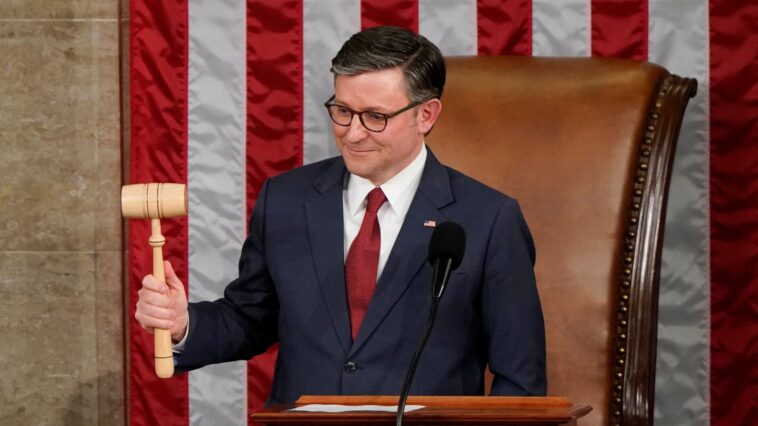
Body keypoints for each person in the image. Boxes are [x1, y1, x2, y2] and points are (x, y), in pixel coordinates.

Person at [136, 25, 546, 404]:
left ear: (426, 115)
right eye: (343, 110)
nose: (353, 133)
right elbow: (250, 318)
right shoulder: (285, 199)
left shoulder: (489, 219)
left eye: (375, 116)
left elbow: (520, 381)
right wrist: (183, 323)